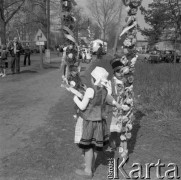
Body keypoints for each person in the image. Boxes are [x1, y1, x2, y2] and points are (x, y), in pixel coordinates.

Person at [72, 66, 122, 179]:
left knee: (88, 146)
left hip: (90, 122)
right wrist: (118, 105)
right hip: (100, 122)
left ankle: (87, 171)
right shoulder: (104, 90)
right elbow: (110, 100)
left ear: (93, 78)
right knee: (94, 146)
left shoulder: (90, 90)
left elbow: (82, 106)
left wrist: (75, 98)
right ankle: (91, 166)